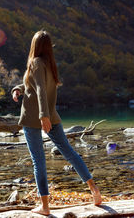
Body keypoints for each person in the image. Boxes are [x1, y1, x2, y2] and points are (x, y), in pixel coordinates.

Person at [11, 30, 102, 216]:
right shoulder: (49, 63)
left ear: (34, 45)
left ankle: (44, 206)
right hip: (52, 115)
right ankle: (94, 189)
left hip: (33, 117)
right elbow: (34, 85)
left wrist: (42, 116)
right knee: (68, 151)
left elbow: (41, 90)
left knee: (39, 161)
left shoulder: (35, 62)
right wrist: (18, 89)